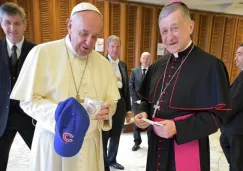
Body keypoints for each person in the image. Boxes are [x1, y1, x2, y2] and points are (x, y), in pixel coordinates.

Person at [10, 2, 120, 171]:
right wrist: (61, 116)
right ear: (69, 25)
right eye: (83, 34)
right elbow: (28, 100)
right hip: (53, 142)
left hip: (90, 145)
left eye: (95, 36)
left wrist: (107, 111)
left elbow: (112, 102)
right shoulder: (42, 53)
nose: (89, 43)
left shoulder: (103, 64)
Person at [134, 2, 231, 171]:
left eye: (175, 28)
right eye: (164, 31)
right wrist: (142, 113)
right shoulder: (157, 66)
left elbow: (216, 117)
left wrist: (177, 128)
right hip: (156, 146)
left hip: (188, 146)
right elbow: (146, 101)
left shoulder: (211, 66)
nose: (169, 37)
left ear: (190, 26)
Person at [0, 2, 36, 170]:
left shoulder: (36, 51)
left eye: (16, 23)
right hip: (2, 117)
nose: (12, 28)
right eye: (7, 22)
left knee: (43, 157)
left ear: (24, 24)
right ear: (1, 23)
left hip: (29, 115)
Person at [102, 35, 132, 171]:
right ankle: (103, 163)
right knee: (104, 135)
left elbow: (126, 88)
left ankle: (112, 160)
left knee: (116, 135)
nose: (115, 49)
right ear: (108, 47)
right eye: (112, 46)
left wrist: (128, 109)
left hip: (121, 103)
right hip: (107, 104)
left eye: (117, 46)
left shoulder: (123, 65)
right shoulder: (101, 62)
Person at [220, 43, 243, 171]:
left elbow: (235, 103)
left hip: (238, 131)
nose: (235, 58)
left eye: (239, 54)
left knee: (237, 165)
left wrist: (218, 118)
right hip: (232, 129)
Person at [129, 52, 151, 151]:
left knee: (150, 121)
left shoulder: (153, 71)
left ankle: (151, 142)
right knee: (137, 121)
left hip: (149, 102)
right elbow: (131, 86)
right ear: (140, 59)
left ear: (150, 60)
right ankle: (136, 142)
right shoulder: (135, 71)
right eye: (143, 58)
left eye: (147, 58)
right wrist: (136, 99)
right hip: (137, 101)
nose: (145, 60)